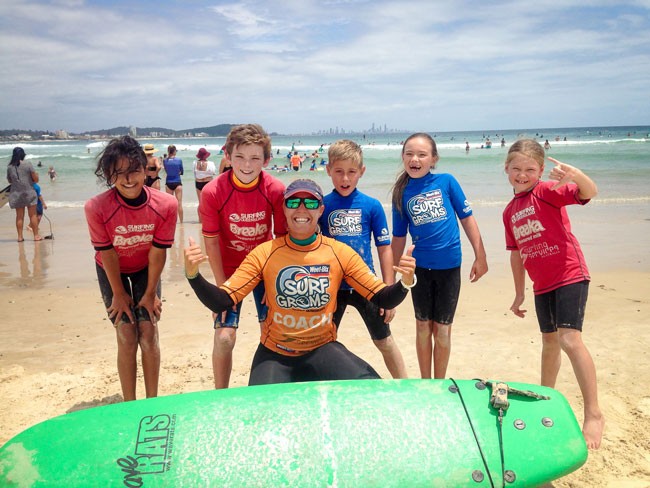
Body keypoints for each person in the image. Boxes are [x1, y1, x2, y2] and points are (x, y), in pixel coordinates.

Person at [185, 178, 417, 386]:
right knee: (260, 412)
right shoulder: (265, 253)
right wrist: (194, 275)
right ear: (284, 209)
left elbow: (381, 296)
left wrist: (405, 282)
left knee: (370, 385)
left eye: (311, 203)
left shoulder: (338, 252)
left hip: (322, 349)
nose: (302, 209)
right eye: (294, 203)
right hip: (275, 354)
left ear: (321, 210)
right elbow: (223, 301)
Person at [503, 139, 604, 449]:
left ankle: (594, 414)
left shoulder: (546, 191)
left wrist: (576, 175)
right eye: (516, 169)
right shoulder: (509, 211)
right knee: (549, 343)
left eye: (530, 169)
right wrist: (519, 293)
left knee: (569, 339)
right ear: (506, 169)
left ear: (541, 170)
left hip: (570, 274)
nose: (522, 174)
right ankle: (547, 397)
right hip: (541, 284)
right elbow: (517, 254)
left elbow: (589, 193)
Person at [84, 135, 178, 401]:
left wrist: (150, 293)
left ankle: (151, 400)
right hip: (110, 268)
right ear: (109, 175)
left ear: (144, 169)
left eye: (133, 171)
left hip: (146, 268)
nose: (127, 180)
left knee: (148, 332)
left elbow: (158, 252)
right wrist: (118, 293)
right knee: (126, 333)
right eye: (119, 173)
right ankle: (129, 403)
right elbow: (108, 253)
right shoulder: (96, 207)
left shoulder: (166, 205)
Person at [391, 133, 488, 380]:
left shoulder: (447, 181)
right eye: (409, 153)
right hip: (420, 269)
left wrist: (480, 255)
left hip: (449, 267)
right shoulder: (401, 193)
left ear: (433, 159)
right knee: (423, 327)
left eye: (422, 154)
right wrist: (392, 275)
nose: (415, 159)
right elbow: (399, 237)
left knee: (442, 331)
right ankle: (426, 383)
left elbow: (467, 218)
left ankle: (440, 382)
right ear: (403, 157)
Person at [199, 124, 288, 389]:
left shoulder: (275, 189)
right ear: (227, 155)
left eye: (254, 158)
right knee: (225, 337)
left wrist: (273, 281)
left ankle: (272, 386)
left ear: (266, 160)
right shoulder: (213, 192)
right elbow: (211, 241)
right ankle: (220, 393)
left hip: (263, 268)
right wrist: (222, 287)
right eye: (239, 157)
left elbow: (281, 239)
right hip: (229, 271)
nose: (246, 165)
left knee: (272, 332)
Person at [319, 139, 407, 378]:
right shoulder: (321, 206)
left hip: (364, 283)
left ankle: (405, 387)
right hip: (332, 285)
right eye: (338, 172)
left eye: (351, 172)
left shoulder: (372, 206)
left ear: (361, 172)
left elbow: (384, 248)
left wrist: (387, 289)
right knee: (323, 342)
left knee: (384, 340)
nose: (345, 179)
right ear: (328, 171)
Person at [6, 147, 41, 242]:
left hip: (16, 194)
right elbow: (35, 179)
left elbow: (9, 180)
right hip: (29, 193)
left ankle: (20, 237)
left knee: (19, 216)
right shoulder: (28, 164)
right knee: (33, 215)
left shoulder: (9, 167)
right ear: (23, 155)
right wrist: (36, 176)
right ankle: (36, 236)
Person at [193, 148, 216, 223]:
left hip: (198, 183)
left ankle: (200, 220)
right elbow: (213, 172)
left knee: (200, 202)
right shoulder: (210, 163)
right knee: (209, 203)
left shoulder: (195, 163)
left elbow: (194, 173)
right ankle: (209, 219)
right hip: (207, 182)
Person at [163, 145, 184, 223]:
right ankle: (181, 222)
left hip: (168, 182)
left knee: (170, 204)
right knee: (179, 203)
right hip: (177, 182)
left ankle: (171, 221)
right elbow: (182, 171)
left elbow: (166, 170)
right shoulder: (179, 160)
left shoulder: (165, 160)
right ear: (174, 151)